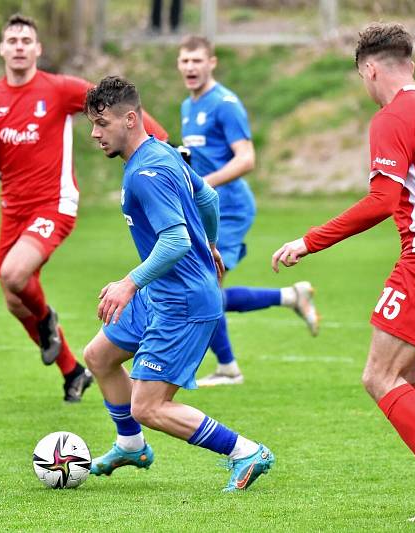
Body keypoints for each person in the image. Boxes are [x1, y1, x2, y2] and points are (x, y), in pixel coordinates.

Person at [272, 23, 415, 522]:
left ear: (369, 70)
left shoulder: (393, 117)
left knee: (380, 377)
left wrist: (309, 240)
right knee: (409, 379)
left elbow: (382, 201)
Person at [0, 14, 170, 402]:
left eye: (27, 39)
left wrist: (159, 142)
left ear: (38, 49)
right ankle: (72, 371)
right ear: (2, 49)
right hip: (13, 209)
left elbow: (117, 105)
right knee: (14, 296)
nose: (20, 46)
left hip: (54, 203)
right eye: (13, 40)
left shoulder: (58, 90)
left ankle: (46, 323)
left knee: (13, 274)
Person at [82, 75, 274, 491]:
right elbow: (209, 198)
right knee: (99, 356)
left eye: (102, 124)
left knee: (149, 406)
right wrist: (211, 241)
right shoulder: (161, 153)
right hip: (161, 292)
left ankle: (245, 451)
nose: (95, 134)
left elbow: (174, 239)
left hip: (183, 304)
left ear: (130, 119)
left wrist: (129, 282)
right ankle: (130, 445)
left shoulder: (146, 172)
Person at [177, 35, 319, 387]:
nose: (191, 67)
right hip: (206, 208)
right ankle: (289, 297)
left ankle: (227, 367)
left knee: (202, 289)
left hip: (231, 209)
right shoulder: (187, 106)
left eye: (198, 60)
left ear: (212, 62)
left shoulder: (225, 104)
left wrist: (202, 182)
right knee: (203, 289)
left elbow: (246, 158)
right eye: (185, 61)